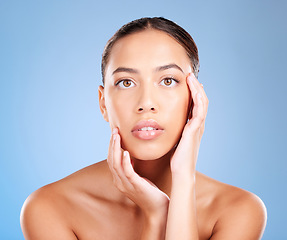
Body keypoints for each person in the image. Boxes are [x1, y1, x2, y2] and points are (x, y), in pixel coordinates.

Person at [20, 17, 267, 239]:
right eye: (126, 82)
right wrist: (157, 216)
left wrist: (183, 181)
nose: (146, 103)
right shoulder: (50, 207)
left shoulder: (239, 210)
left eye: (168, 80)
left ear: (195, 98)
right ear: (103, 103)